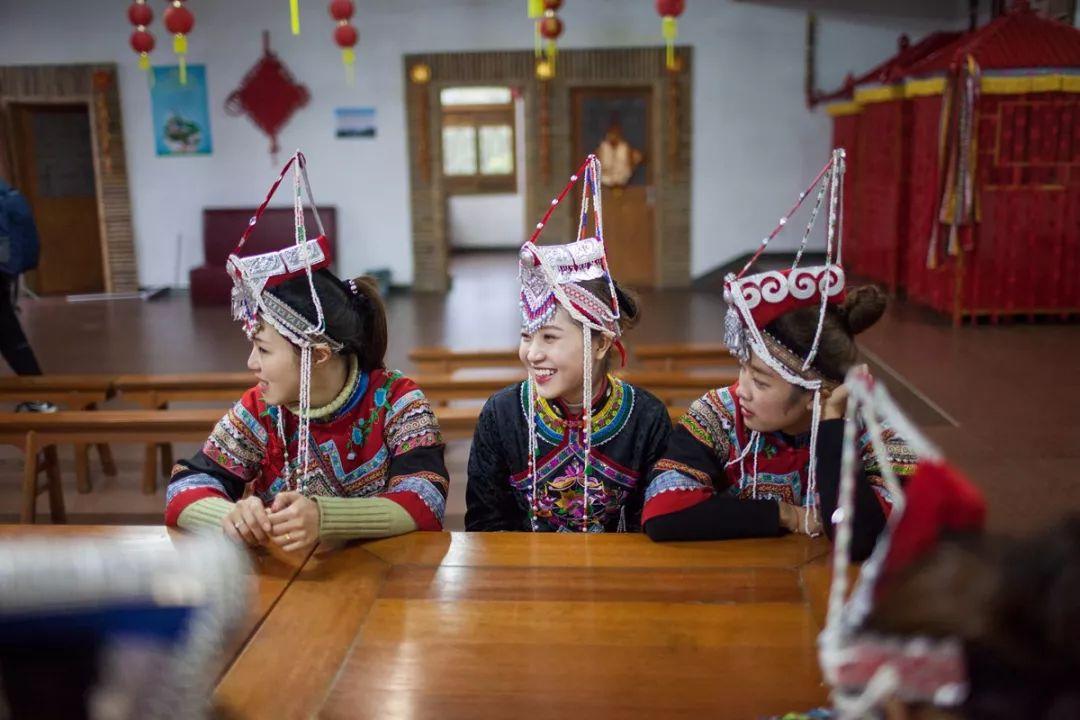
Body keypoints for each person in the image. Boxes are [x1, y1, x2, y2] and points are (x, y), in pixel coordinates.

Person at [165, 152, 449, 551]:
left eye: (263, 349)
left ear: (317, 354)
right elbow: (186, 486)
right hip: (285, 586)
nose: (251, 363)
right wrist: (230, 516)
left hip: (385, 583)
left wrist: (326, 518)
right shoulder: (260, 411)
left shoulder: (398, 402)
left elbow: (427, 499)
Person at [642, 149, 915, 558]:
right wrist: (783, 515)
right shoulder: (719, 414)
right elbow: (663, 513)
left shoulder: (876, 432)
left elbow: (861, 541)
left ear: (815, 392)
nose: (742, 389)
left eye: (761, 379)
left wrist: (835, 424)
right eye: (745, 370)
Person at [465, 154, 671, 532]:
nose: (533, 353)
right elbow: (485, 525)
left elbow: (650, 530)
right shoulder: (503, 415)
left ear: (602, 343)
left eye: (550, 337)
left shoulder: (646, 418)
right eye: (527, 336)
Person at [0, 176, 54, 412]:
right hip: (3, 272)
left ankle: (40, 398)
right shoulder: (6, 192)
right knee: (11, 338)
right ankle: (40, 399)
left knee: (10, 336)